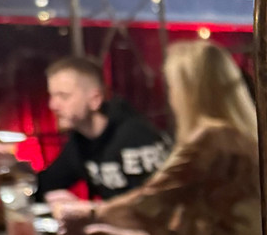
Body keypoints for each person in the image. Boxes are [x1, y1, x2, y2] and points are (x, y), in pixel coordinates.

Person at [55, 41, 267, 235]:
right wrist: (109, 231)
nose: (172, 97)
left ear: (191, 89)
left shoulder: (213, 139)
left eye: (173, 86)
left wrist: (90, 213)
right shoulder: (239, 137)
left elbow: (150, 200)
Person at [38, 56, 170, 201]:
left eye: (63, 96)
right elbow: (46, 184)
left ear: (95, 99)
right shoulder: (80, 141)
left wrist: (93, 210)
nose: (53, 105)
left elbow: (159, 199)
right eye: (52, 96)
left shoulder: (136, 135)